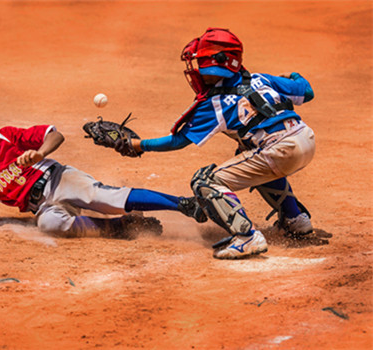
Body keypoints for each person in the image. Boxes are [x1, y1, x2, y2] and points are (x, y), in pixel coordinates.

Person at [126, 28, 316, 259]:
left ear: (217, 63)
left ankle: (246, 237)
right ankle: (295, 218)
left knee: (204, 181)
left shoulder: (215, 102)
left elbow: (178, 141)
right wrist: (294, 75)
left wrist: (138, 145)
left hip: (279, 151)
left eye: (200, 64)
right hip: (306, 138)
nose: (196, 71)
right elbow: (306, 91)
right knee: (248, 149)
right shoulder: (260, 78)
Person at [0, 106, 206, 239]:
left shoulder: (6, 136)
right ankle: (121, 228)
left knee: (102, 197)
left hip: (57, 179)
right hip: (41, 205)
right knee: (50, 226)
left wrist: (40, 152)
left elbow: (55, 134)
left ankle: (183, 204)